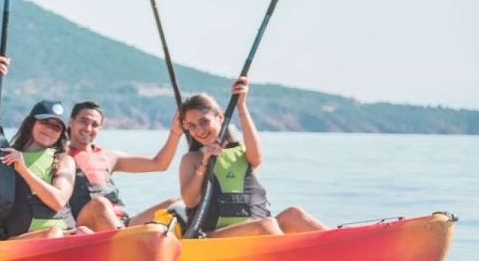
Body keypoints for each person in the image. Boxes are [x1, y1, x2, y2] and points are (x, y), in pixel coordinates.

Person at [177, 78, 326, 237]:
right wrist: (205, 162)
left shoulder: (242, 152)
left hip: (253, 230)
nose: (199, 130)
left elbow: (257, 156)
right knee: (265, 225)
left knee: (295, 214)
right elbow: (190, 201)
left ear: (220, 118)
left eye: (204, 121)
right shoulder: (192, 159)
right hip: (211, 237)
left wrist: (241, 106)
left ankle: (345, 245)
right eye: (192, 126)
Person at [0, 98, 96, 240]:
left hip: (64, 233)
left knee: (84, 232)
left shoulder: (64, 160)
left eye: (56, 127)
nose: (49, 130)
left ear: (61, 134)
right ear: (31, 123)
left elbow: (58, 201)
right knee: (52, 234)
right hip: (22, 238)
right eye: (44, 122)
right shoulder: (6, 155)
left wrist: (24, 170)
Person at [64, 100, 183, 231]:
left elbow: (159, 164)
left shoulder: (110, 157)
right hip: (85, 225)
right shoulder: (59, 156)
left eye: (95, 124)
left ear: (100, 129)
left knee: (175, 204)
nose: (88, 128)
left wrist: (175, 133)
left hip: (122, 224)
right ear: (71, 122)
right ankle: (124, 240)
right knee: (100, 203)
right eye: (83, 121)